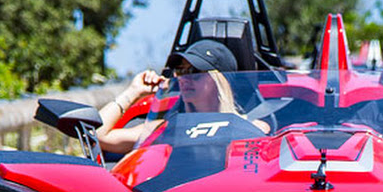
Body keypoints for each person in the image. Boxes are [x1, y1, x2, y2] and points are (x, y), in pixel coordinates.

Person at [97, 39, 265, 155]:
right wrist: (133, 91)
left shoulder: (253, 128)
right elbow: (98, 136)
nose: (185, 78)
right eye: (181, 71)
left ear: (220, 81)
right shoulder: (162, 129)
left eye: (194, 72)